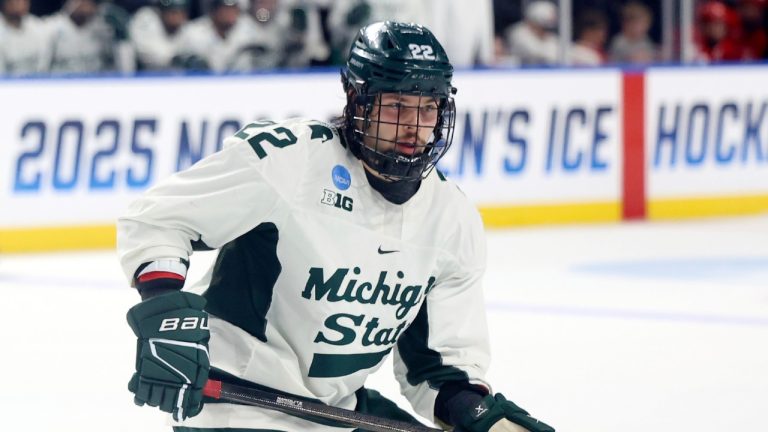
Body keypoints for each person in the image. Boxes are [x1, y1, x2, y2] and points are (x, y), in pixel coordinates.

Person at [118, 20, 556, 432]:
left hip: (336, 411)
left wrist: (479, 416)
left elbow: (438, 367)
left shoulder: (451, 217)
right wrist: (166, 315)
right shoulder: (291, 160)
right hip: (235, 405)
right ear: (358, 100)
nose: (413, 126)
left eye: (428, 107)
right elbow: (158, 218)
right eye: (398, 104)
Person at [129, 0, 191, 71]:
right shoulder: (146, 19)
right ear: (163, 11)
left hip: (176, 77)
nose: (178, 17)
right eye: (174, 12)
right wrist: (174, 58)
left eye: (182, 12)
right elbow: (145, 52)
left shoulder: (186, 27)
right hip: (146, 76)